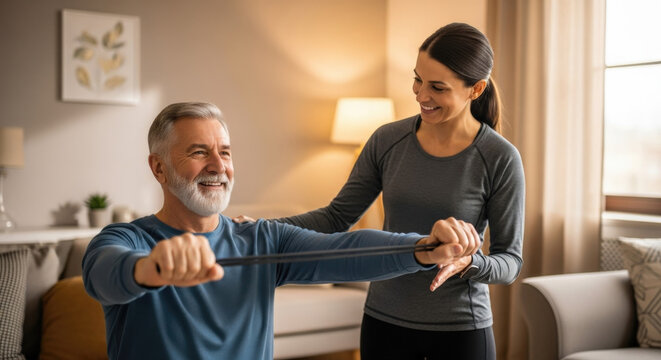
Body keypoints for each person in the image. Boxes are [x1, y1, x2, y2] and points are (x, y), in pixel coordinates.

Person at [81, 101, 481, 360]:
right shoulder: (126, 240)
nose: (218, 166)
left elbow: (344, 250)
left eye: (224, 152)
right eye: (199, 152)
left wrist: (424, 248)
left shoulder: (261, 239)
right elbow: (104, 275)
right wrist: (151, 269)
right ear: (159, 168)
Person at [246, 22, 525, 359]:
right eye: (418, 79)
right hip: (385, 322)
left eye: (437, 87)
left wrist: (470, 262)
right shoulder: (387, 140)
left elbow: (510, 261)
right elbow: (336, 217)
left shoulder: (499, 158)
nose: (422, 95)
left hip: (461, 330)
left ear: (475, 90)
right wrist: (261, 232)